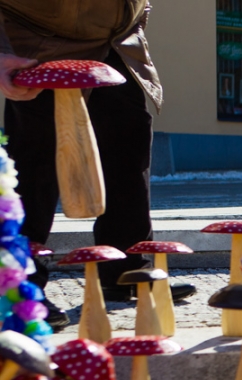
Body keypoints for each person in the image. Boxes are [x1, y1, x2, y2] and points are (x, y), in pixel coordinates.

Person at [0, 1, 196, 330]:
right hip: (40, 43)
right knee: (35, 163)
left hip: (117, 42)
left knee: (128, 146)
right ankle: (18, 286)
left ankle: (127, 268)